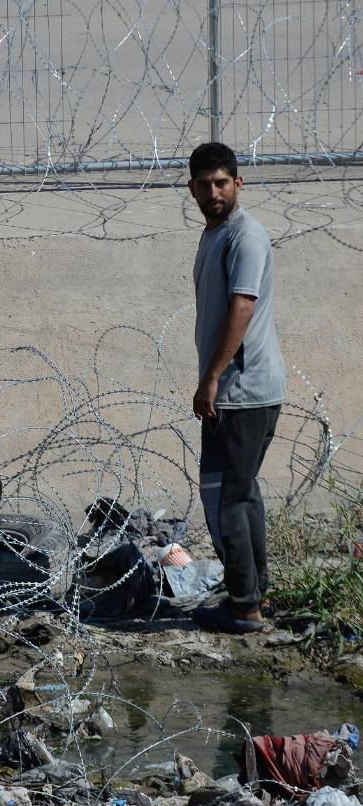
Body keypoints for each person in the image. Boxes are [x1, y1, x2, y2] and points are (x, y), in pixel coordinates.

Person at [186, 142, 286, 634]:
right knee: (239, 496)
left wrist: (211, 379)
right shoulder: (216, 233)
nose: (214, 192)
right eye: (204, 185)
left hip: (243, 392)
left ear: (238, 184)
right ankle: (252, 593)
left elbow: (242, 309)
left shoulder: (245, 237)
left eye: (222, 183)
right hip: (233, 389)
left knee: (228, 497)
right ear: (192, 189)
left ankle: (245, 606)